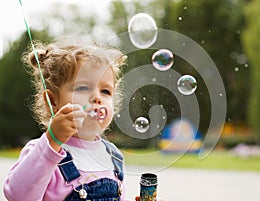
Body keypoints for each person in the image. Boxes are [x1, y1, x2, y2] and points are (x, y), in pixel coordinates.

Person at [3, 38, 150, 201]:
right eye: (83, 88)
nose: (96, 98)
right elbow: (17, 195)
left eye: (106, 91)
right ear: (52, 101)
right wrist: (52, 140)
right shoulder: (42, 151)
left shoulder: (113, 155)